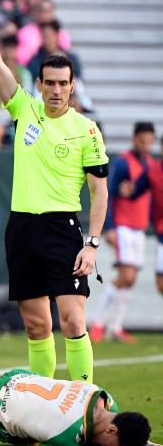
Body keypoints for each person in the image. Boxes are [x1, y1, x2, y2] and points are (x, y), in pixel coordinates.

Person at [0, 0, 108, 384]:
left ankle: (83, 405)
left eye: (64, 84)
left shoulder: (87, 130)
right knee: (36, 327)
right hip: (22, 227)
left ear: (72, 86)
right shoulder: (25, 109)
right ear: (39, 84)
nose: (57, 91)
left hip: (63, 228)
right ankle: (46, 409)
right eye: (51, 83)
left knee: (72, 319)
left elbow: (99, 193)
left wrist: (92, 244)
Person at [89, 123, 155, 344]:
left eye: (149, 142)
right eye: (143, 141)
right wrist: (109, 227)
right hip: (123, 226)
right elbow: (106, 193)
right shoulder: (123, 163)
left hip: (139, 228)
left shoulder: (150, 165)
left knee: (131, 280)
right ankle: (98, 323)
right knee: (125, 276)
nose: (146, 145)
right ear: (135, 139)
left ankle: (115, 327)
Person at [0, 368, 163, 446]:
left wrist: (141, 440)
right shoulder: (68, 436)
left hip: (19, 375)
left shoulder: (106, 399)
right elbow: (83, 439)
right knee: (29, 439)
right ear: (111, 429)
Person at [117, 133, 163, 298]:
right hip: (156, 232)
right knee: (159, 284)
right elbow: (137, 189)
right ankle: (107, 322)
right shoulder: (153, 169)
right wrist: (131, 191)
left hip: (144, 228)